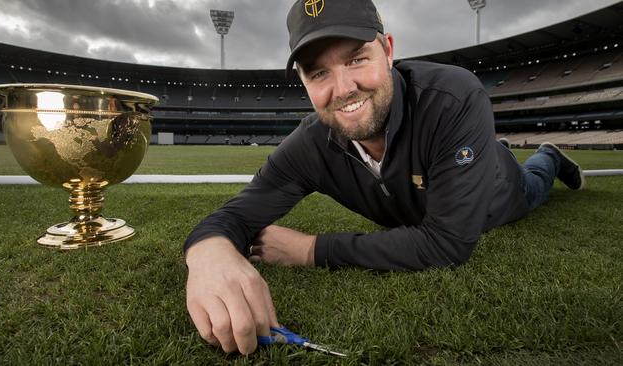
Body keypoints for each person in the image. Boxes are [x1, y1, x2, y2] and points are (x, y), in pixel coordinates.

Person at [183, 0, 586, 355]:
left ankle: (549, 155)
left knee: (535, 186)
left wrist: (312, 250)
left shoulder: (453, 97)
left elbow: (448, 242)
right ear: (304, 83)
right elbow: (234, 217)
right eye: (318, 73)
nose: (343, 88)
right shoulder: (310, 143)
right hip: (432, 193)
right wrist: (208, 255)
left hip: (499, 188)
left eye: (357, 59)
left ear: (388, 50)